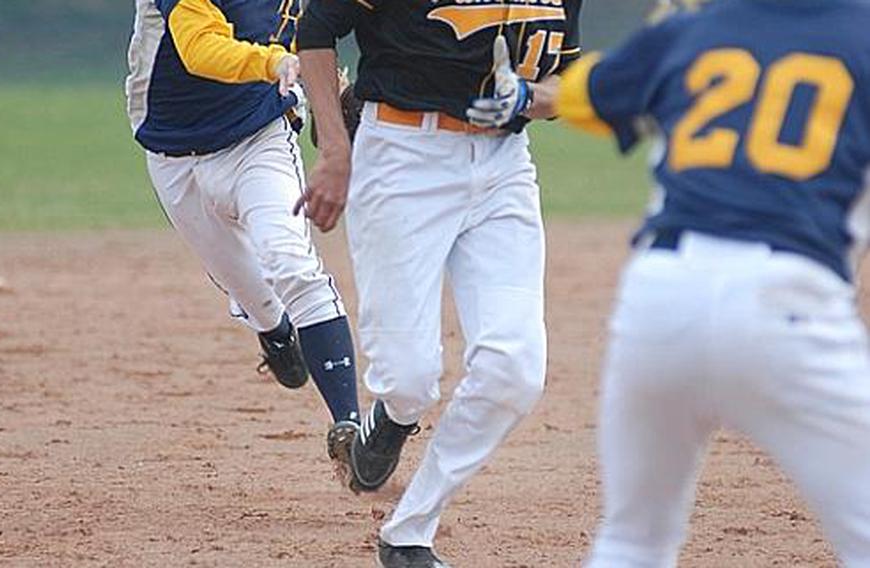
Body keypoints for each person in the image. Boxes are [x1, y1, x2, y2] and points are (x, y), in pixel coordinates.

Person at [494, 0, 870, 564]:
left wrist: (521, 94)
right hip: (791, 301)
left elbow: (584, 92)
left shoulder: (695, 24)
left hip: (660, 297)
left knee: (632, 538)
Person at [296, 2, 582, 566]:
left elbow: (563, 84)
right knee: (408, 379)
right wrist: (335, 147)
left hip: (503, 165)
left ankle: (409, 532)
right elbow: (316, 29)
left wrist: (529, 99)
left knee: (516, 369)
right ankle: (392, 416)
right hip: (403, 156)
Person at [124, 0, 361, 472]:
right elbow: (199, 47)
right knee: (252, 291)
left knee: (292, 264)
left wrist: (338, 92)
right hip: (175, 155)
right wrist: (273, 62)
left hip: (260, 136)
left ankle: (353, 436)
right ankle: (273, 332)